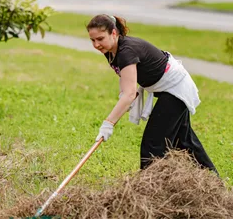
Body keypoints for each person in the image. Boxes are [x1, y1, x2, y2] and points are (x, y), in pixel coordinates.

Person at [87, 14, 218, 174]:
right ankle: (214, 182)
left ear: (114, 33)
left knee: (152, 146)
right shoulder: (112, 51)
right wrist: (125, 97)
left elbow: (129, 95)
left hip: (175, 88)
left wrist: (108, 124)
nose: (96, 44)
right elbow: (128, 90)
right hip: (167, 89)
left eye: (100, 38)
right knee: (184, 141)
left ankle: (148, 191)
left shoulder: (126, 52)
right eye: (93, 40)